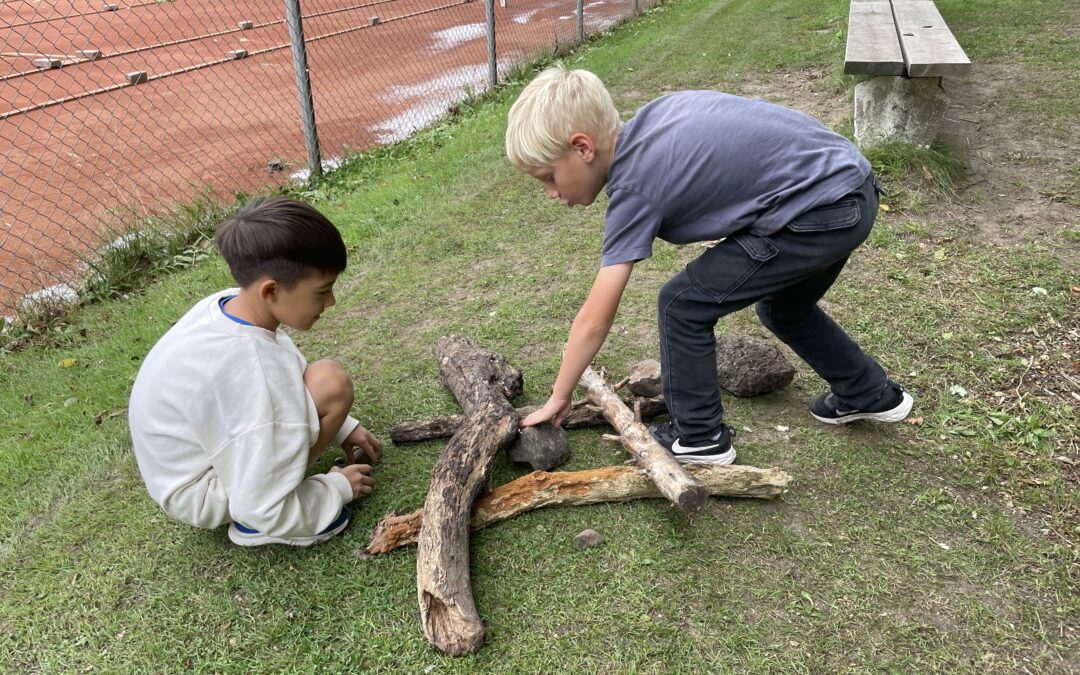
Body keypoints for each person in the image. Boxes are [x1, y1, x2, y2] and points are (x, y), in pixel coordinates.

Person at [506, 64, 913, 465]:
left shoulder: (635, 184)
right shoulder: (655, 118)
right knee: (785, 309)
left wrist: (559, 396)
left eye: (549, 177)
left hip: (819, 211)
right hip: (850, 189)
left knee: (681, 303)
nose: (550, 193)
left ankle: (700, 437)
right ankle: (868, 392)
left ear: (582, 148)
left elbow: (595, 318)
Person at [129, 196, 383, 546]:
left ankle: (264, 491)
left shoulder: (232, 305)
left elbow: (279, 385)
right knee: (332, 384)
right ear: (271, 290)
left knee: (326, 381)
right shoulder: (249, 366)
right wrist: (335, 487)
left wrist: (342, 426)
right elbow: (264, 394)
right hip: (205, 492)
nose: (331, 302)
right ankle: (259, 522)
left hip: (187, 469)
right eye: (322, 292)